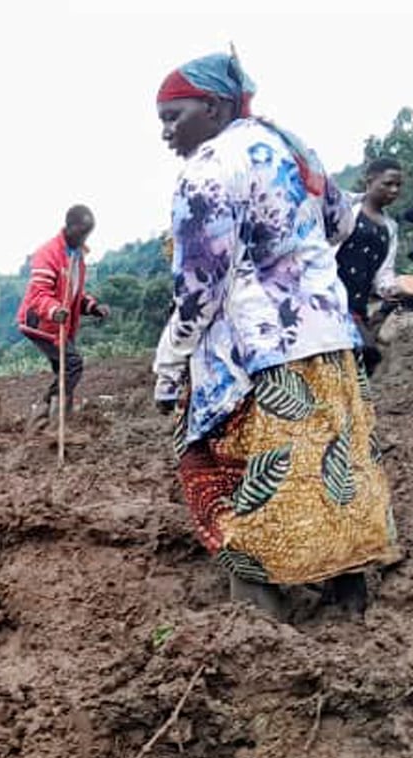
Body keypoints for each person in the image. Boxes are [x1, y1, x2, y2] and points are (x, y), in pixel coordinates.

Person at [153, 51, 399, 617]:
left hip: (261, 352)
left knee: (239, 472)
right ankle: (348, 598)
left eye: (174, 116)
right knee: (333, 467)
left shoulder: (207, 171)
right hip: (330, 338)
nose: (167, 132)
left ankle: (259, 614)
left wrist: (170, 363)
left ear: (212, 107)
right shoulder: (291, 147)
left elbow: (199, 288)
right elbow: (342, 219)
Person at [16, 207, 110, 425]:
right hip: (39, 323)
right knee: (72, 363)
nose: (85, 237)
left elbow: (73, 293)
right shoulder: (48, 254)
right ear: (69, 227)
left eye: (88, 233)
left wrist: (93, 307)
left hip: (59, 322)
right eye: (82, 232)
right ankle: (48, 414)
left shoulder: (77, 255)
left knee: (63, 370)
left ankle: (51, 418)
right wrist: (54, 310)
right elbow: (39, 294)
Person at [335, 159, 409, 377]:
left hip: (357, 309)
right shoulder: (344, 207)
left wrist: (399, 287)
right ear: (370, 180)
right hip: (329, 304)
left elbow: (383, 278)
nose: (394, 190)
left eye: (398, 185)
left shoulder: (390, 229)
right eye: (388, 183)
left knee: (365, 361)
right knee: (364, 353)